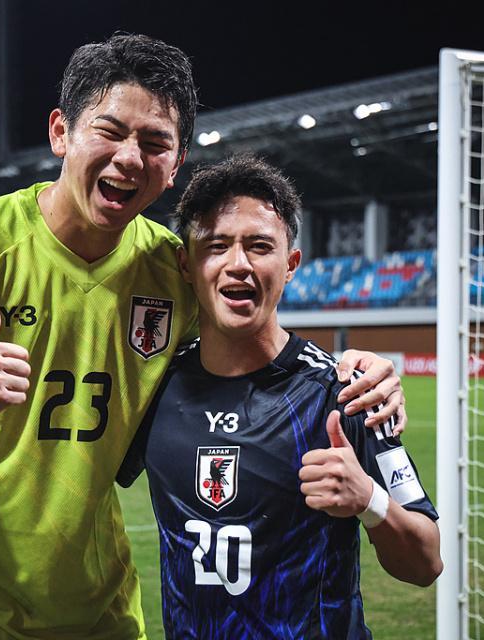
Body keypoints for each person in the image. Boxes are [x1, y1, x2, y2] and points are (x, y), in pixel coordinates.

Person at [0, 34, 405, 639]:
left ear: (176, 164)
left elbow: (257, 341)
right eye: (109, 131)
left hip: (97, 614)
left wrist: (359, 369)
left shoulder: (172, 270)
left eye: (155, 143)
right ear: (61, 132)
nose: (130, 158)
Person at [117, 155, 442, 638]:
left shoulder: (345, 392)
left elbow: (426, 561)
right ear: (187, 264)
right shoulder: (153, 386)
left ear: (290, 265)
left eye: (260, 246)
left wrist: (369, 500)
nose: (238, 264)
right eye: (217, 246)